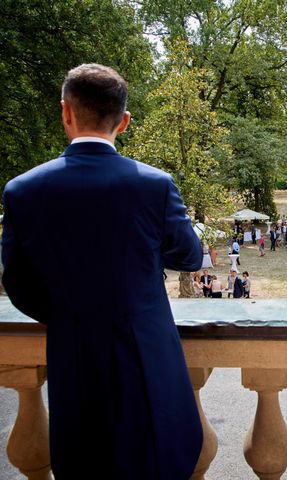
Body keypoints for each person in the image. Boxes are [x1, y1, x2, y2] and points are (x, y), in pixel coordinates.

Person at [1, 64, 203, 479]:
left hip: (73, 361)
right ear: (124, 121)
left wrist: (68, 313)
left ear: (65, 113)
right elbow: (189, 257)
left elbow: (18, 284)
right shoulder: (155, 185)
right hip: (148, 360)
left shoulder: (22, 190)